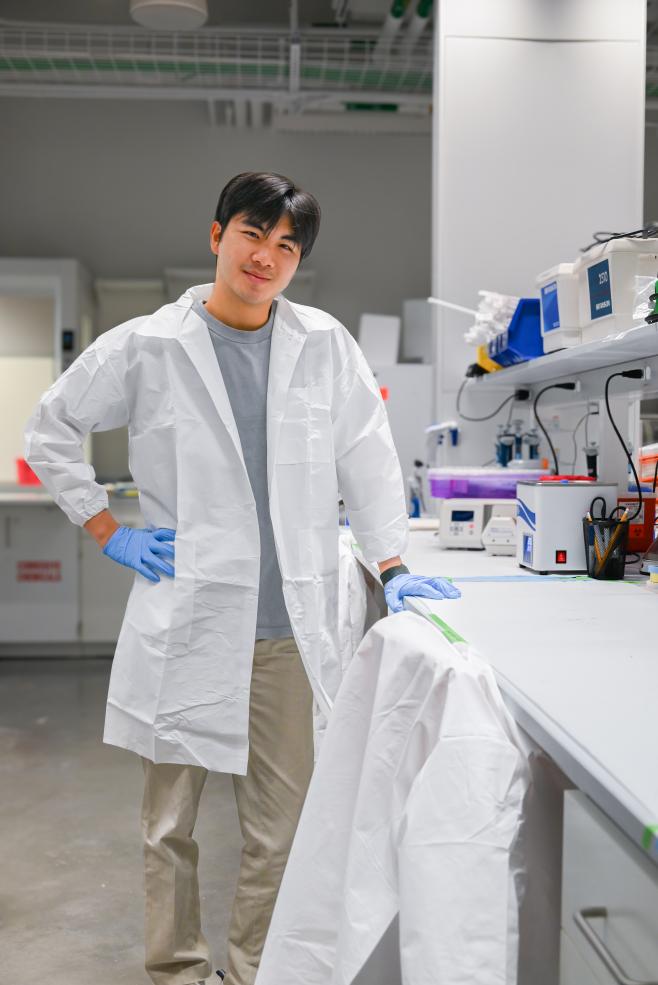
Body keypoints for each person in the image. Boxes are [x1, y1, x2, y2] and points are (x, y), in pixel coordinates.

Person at [24, 171, 460, 985]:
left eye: (286, 246)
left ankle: (250, 970)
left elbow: (366, 456)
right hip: (189, 619)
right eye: (254, 234)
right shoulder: (149, 344)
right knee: (168, 827)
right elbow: (50, 428)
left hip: (291, 630)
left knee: (279, 828)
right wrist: (105, 527)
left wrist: (391, 561)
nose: (266, 257)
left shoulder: (323, 343)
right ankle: (178, 972)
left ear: (297, 262)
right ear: (217, 234)